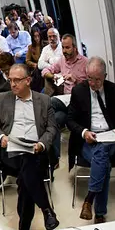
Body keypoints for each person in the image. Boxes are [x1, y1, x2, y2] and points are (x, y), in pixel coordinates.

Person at [0, 64, 59, 230]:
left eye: (17, 80)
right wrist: (1, 137)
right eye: (10, 80)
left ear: (28, 81)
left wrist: (41, 144)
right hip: (10, 151)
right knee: (28, 165)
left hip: (36, 149)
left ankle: (24, 229)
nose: (12, 84)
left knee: (25, 179)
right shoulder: (3, 98)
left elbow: (51, 129)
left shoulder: (43, 100)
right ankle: (46, 209)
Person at [67, 56, 115, 223]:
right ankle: (100, 213)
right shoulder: (78, 91)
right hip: (88, 140)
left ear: (105, 76)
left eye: (97, 79)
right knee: (104, 161)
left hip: (110, 138)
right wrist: (84, 132)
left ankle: (89, 199)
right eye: (89, 78)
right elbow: (70, 120)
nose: (92, 83)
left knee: (102, 152)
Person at [43, 33, 88, 162]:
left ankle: (35, 127)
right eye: (63, 47)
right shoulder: (62, 60)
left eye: (67, 48)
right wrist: (55, 77)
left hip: (79, 102)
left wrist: (76, 81)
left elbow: (91, 87)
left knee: (49, 102)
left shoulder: (85, 62)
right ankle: (54, 158)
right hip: (65, 101)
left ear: (75, 47)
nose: (64, 51)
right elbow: (45, 71)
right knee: (54, 119)